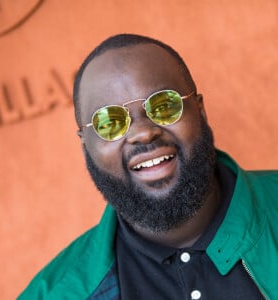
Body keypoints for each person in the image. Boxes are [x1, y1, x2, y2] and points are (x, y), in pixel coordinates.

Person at [18, 34, 278, 300]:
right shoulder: (53, 294)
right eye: (110, 123)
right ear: (86, 145)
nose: (142, 133)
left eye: (164, 106)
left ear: (200, 111)